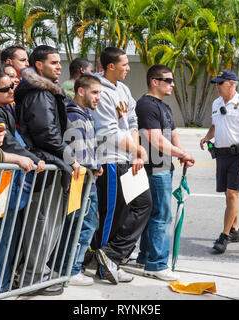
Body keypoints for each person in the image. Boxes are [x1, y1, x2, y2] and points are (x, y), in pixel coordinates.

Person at [13, 45, 79, 296]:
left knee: (49, 223)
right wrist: (70, 158)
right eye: (53, 62)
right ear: (38, 66)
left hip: (51, 162)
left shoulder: (44, 91)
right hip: (45, 163)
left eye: (59, 62)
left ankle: (40, 272)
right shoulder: (38, 93)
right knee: (42, 224)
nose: (59, 66)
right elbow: (46, 134)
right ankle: (33, 276)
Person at [0, 65, 45, 293]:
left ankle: (2, 285)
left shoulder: (7, 109)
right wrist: (32, 158)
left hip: (15, 183)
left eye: (12, 86)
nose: (10, 90)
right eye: (4, 88)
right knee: (2, 239)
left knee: (10, 237)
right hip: (3, 186)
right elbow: (8, 143)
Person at [88, 47, 152, 285]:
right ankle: (104, 264)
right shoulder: (101, 91)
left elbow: (132, 122)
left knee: (143, 205)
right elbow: (109, 132)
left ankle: (111, 256)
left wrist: (136, 153)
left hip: (128, 159)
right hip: (111, 160)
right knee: (112, 215)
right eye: (124, 64)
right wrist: (136, 149)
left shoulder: (123, 89)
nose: (128, 68)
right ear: (111, 66)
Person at [135, 64, 195, 281]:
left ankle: (145, 257)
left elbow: (173, 134)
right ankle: (157, 263)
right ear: (154, 81)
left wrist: (182, 154)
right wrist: (182, 154)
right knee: (161, 216)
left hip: (164, 167)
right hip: (154, 168)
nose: (172, 84)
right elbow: (155, 139)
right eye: (168, 80)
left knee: (155, 215)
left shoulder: (164, 107)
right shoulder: (146, 105)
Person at [199, 69, 239, 254]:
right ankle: (235, 230)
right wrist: (207, 137)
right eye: (216, 83)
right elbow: (215, 124)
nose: (217, 86)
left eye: (220, 83)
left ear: (232, 84)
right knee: (229, 194)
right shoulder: (217, 103)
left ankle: (224, 236)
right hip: (222, 155)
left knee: (232, 193)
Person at [54, 74, 103, 286]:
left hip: (84, 181)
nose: (98, 97)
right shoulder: (75, 116)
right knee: (81, 226)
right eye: (94, 92)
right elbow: (79, 155)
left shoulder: (85, 115)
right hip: (79, 182)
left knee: (83, 224)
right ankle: (70, 269)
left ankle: (68, 268)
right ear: (81, 91)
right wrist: (96, 165)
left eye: (100, 93)